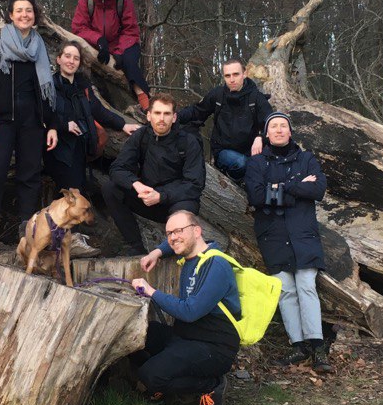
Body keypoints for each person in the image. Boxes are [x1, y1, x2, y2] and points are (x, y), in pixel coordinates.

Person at [244, 112, 332, 373]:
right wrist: (295, 185)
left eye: (284, 126)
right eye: (274, 126)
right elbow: (257, 196)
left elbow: (318, 190)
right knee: (286, 291)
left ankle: (317, 347)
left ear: (290, 132)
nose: (279, 130)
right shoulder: (257, 163)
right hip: (273, 234)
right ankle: (298, 346)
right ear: (267, 134)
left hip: (303, 233)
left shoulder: (306, 158)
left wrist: (279, 188)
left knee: (306, 286)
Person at [0, 0, 59, 251]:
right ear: (10, 14)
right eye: (19, 10)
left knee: (30, 173)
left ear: (34, 16)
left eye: (28, 11)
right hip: (2, 120)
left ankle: (27, 225)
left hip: (32, 122)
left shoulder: (39, 47)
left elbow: (47, 89)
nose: (24, 15)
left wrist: (51, 124)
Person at [130, 211, 240, 405]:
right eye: (169, 233)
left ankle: (211, 385)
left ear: (197, 231)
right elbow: (176, 242)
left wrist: (151, 292)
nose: (173, 237)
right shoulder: (191, 254)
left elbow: (191, 311)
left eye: (178, 230)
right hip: (185, 337)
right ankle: (169, 375)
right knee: (135, 333)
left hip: (213, 346)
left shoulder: (217, 265)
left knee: (150, 376)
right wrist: (157, 252)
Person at [101, 93, 205, 255]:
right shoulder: (141, 136)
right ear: (149, 115)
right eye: (157, 113)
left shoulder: (188, 141)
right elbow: (117, 168)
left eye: (166, 114)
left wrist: (162, 196)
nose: (161, 118)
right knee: (111, 188)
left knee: (186, 209)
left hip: (176, 202)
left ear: (174, 117)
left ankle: (176, 251)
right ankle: (135, 247)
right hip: (148, 199)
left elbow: (195, 184)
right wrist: (136, 184)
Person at [45, 40, 139, 194]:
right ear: (58, 59)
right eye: (67, 56)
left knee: (79, 192)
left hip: (81, 150)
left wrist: (123, 124)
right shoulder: (50, 86)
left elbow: (98, 110)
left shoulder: (83, 86)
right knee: (67, 197)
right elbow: (42, 115)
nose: (71, 61)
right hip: (60, 151)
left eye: (76, 58)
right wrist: (63, 125)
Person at [71, 0, 151, 111]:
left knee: (129, 63)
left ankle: (144, 100)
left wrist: (119, 52)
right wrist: (99, 40)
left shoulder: (124, 0)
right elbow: (78, 28)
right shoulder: (86, 1)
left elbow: (131, 30)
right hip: (97, 44)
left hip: (124, 42)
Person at [176, 58, 272, 180]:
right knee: (242, 163)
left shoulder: (256, 98)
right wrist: (174, 117)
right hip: (223, 152)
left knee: (265, 167)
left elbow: (271, 123)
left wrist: (261, 137)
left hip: (250, 152)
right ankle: (235, 179)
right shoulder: (218, 95)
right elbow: (197, 111)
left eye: (236, 74)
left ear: (245, 73)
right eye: (227, 76)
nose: (232, 80)